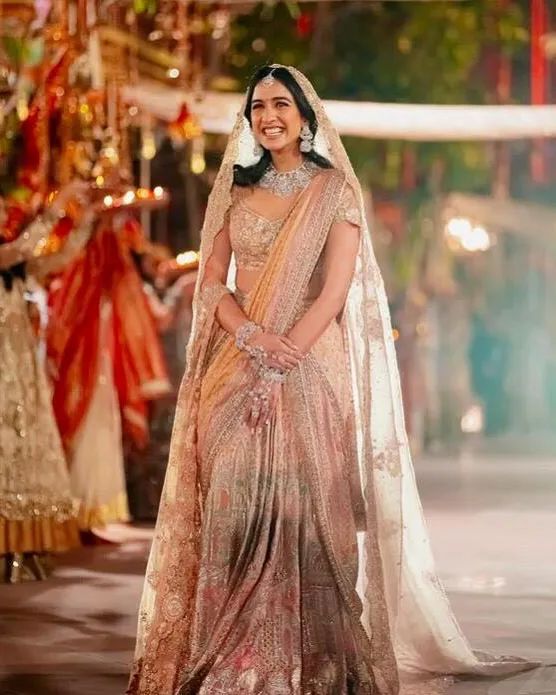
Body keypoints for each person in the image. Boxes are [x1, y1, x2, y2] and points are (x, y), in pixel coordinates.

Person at [127, 65, 536, 694]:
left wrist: (286, 351)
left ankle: (311, 655)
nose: (268, 115)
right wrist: (252, 339)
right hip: (235, 364)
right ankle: (234, 651)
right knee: (233, 500)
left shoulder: (334, 191)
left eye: (281, 104)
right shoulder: (234, 192)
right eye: (258, 105)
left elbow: (336, 289)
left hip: (311, 365)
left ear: (305, 116)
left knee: (304, 508)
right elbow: (212, 284)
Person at [0, 180, 93, 582]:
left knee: (27, 452)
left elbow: (61, 256)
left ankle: (24, 544)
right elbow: (22, 248)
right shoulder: (10, 257)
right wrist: (59, 204)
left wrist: (87, 221)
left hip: (21, 375)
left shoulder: (17, 273)